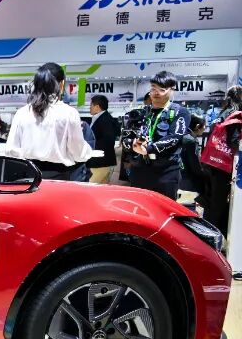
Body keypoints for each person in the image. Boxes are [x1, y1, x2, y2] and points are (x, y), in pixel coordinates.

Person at [3, 62, 94, 181]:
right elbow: (78, 152)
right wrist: (88, 151)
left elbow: (11, 150)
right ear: (61, 84)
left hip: (28, 176)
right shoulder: (69, 113)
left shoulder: (22, 113)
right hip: (58, 178)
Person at [128, 71, 188, 199]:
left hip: (166, 172)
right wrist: (133, 144)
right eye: (153, 88)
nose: (156, 93)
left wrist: (148, 148)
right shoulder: (142, 113)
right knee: (138, 207)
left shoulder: (180, 112)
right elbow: (128, 135)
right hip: (139, 170)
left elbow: (174, 137)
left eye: (162, 89)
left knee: (164, 208)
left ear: (172, 90)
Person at [202, 86, 242, 234]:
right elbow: (234, 142)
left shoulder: (223, 112)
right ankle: (213, 234)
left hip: (211, 161)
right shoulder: (235, 114)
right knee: (218, 202)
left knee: (211, 200)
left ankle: (206, 229)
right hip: (222, 165)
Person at [88, 95, 120, 184]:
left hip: (100, 162)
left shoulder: (105, 119)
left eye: (91, 105)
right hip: (100, 162)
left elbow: (108, 140)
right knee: (101, 187)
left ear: (97, 107)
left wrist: (89, 146)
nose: (89, 107)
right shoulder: (102, 117)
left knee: (90, 186)